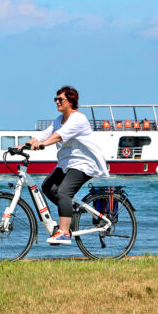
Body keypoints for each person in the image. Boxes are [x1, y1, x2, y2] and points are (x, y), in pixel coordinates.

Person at [25, 86, 110, 245]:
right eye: (55, 99)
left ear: (71, 101)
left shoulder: (78, 119)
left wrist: (42, 144)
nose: (56, 102)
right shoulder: (59, 120)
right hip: (67, 164)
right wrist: (23, 145)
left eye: (60, 99)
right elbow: (44, 134)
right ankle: (69, 214)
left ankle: (64, 232)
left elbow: (58, 136)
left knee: (63, 192)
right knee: (47, 187)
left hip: (84, 164)